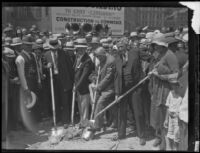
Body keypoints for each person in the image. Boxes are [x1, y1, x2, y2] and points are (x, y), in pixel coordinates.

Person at [148, 37, 179, 149]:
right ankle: (158, 137)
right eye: (154, 45)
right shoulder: (158, 55)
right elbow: (154, 68)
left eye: (157, 45)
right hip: (156, 89)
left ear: (163, 46)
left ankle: (164, 143)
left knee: (163, 115)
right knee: (156, 114)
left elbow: (176, 75)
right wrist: (151, 74)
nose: (155, 47)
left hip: (166, 89)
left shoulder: (170, 56)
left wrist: (160, 76)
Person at [113, 40, 146, 146]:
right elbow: (116, 77)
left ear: (126, 47)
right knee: (121, 112)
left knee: (138, 111)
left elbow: (149, 57)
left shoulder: (135, 52)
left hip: (135, 87)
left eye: (121, 46)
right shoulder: (117, 58)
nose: (119, 49)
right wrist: (117, 93)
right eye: (118, 47)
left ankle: (142, 136)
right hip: (123, 88)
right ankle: (121, 134)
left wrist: (148, 72)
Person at [44, 37, 74, 125]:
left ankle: (65, 120)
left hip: (64, 80)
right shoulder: (46, 55)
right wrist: (46, 67)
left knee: (65, 101)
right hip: (53, 81)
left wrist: (71, 81)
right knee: (55, 100)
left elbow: (70, 68)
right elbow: (43, 67)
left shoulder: (64, 53)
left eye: (55, 47)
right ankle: (57, 119)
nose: (53, 49)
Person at [90, 47, 116, 133]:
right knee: (111, 106)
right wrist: (94, 78)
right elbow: (97, 72)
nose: (98, 59)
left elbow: (108, 78)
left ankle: (97, 126)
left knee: (100, 103)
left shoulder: (111, 61)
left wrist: (98, 87)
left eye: (99, 57)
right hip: (103, 88)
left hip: (110, 88)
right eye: (97, 57)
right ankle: (114, 122)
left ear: (103, 54)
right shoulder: (101, 60)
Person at [74, 38, 94, 127]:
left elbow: (84, 75)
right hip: (78, 86)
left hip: (84, 86)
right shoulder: (78, 58)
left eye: (82, 48)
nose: (80, 50)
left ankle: (85, 122)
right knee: (80, 105)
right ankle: (81, 121)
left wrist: (77, 86)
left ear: (85, 49)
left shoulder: (87, 60)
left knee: (85, 106)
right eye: (78, 48)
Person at [164, 79, 182, 150]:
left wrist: (176, 115)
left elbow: (181, 112)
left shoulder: (180, 98)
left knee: (176, 136)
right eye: (172, 86)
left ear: (178, 86)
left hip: (176, 119)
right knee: (169, 135)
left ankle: (176, 149)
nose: (174, 88)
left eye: (175, 86)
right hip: (169, 117)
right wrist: (166, 119)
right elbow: (167, 107)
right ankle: (169, 148)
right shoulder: (170, 94)